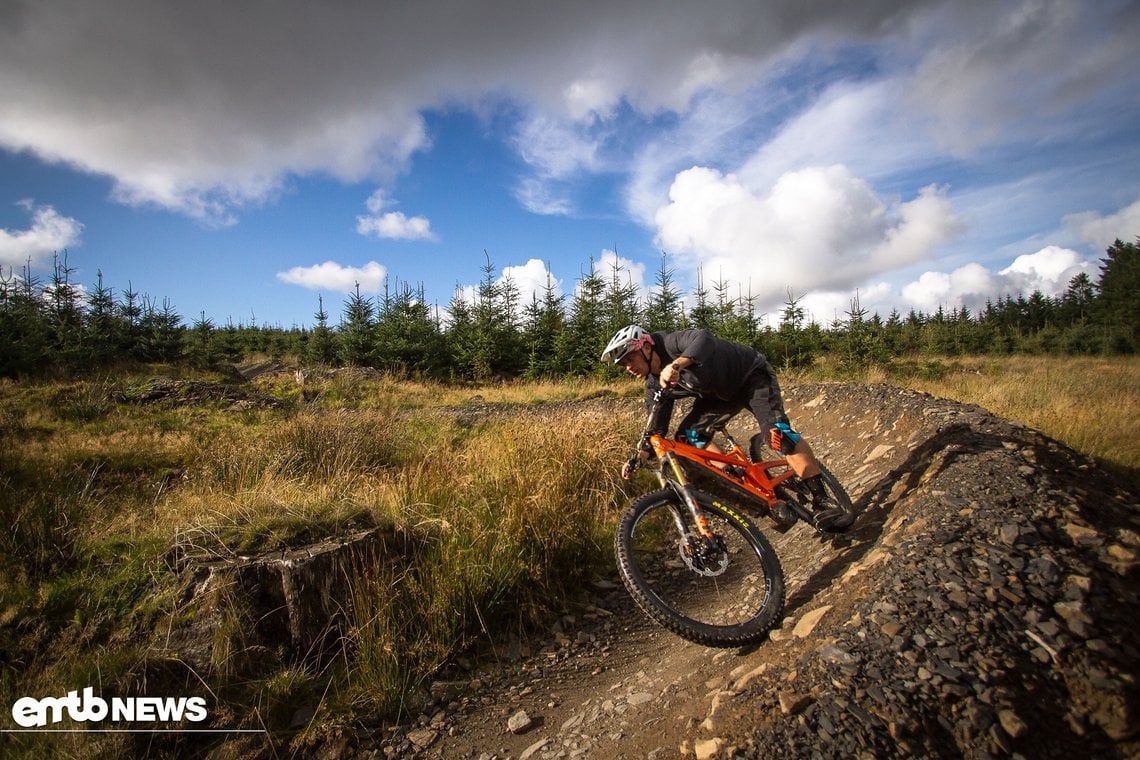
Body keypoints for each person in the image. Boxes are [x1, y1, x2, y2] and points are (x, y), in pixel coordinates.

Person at [601, 325, 844, 528]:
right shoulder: (654, 384)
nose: (628, 367)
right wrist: (640, 456)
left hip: (751, 377)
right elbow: (656, 426)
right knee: (688, 438)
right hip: (718, 397)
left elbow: (705, 338)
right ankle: (733, 475)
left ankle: (822, 499)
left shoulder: (670, 343)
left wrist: (677, 365)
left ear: (645, 346)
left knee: (778, 435)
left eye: (629, 359)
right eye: (623, 365)